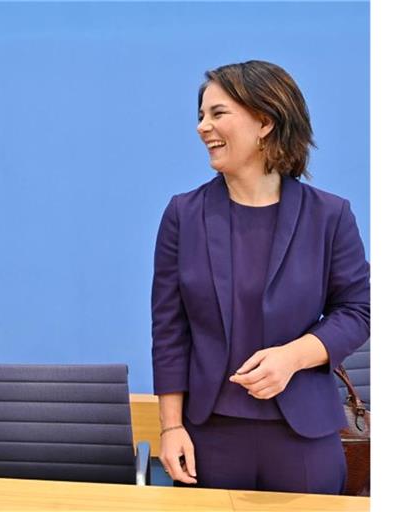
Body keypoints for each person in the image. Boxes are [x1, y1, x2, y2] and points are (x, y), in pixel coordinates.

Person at [151, 60, 369, 494]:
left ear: (265, 121)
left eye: (217, 113)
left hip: (304, 436)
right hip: (208, 435)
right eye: (200, 116)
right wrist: (170, 427)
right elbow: (169, 330)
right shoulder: (183, 215)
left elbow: (360, 310)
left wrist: (294, 357)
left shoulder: (329, 215)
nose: (202, 127)